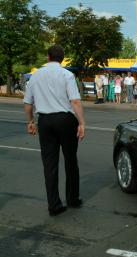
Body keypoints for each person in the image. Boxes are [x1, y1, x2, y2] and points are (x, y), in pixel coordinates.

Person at [23, 44, 85, 216]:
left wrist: (30, 121)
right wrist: (81, 123)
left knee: (49, 164)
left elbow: (28, 103)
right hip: (65, 120)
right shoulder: (67, 75)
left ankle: (54, 204)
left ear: (48, 57)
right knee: (70, 160)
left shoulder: (35, 76)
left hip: (44, 120)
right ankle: (72, 198)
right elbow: (75, 101)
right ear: (62, 58)